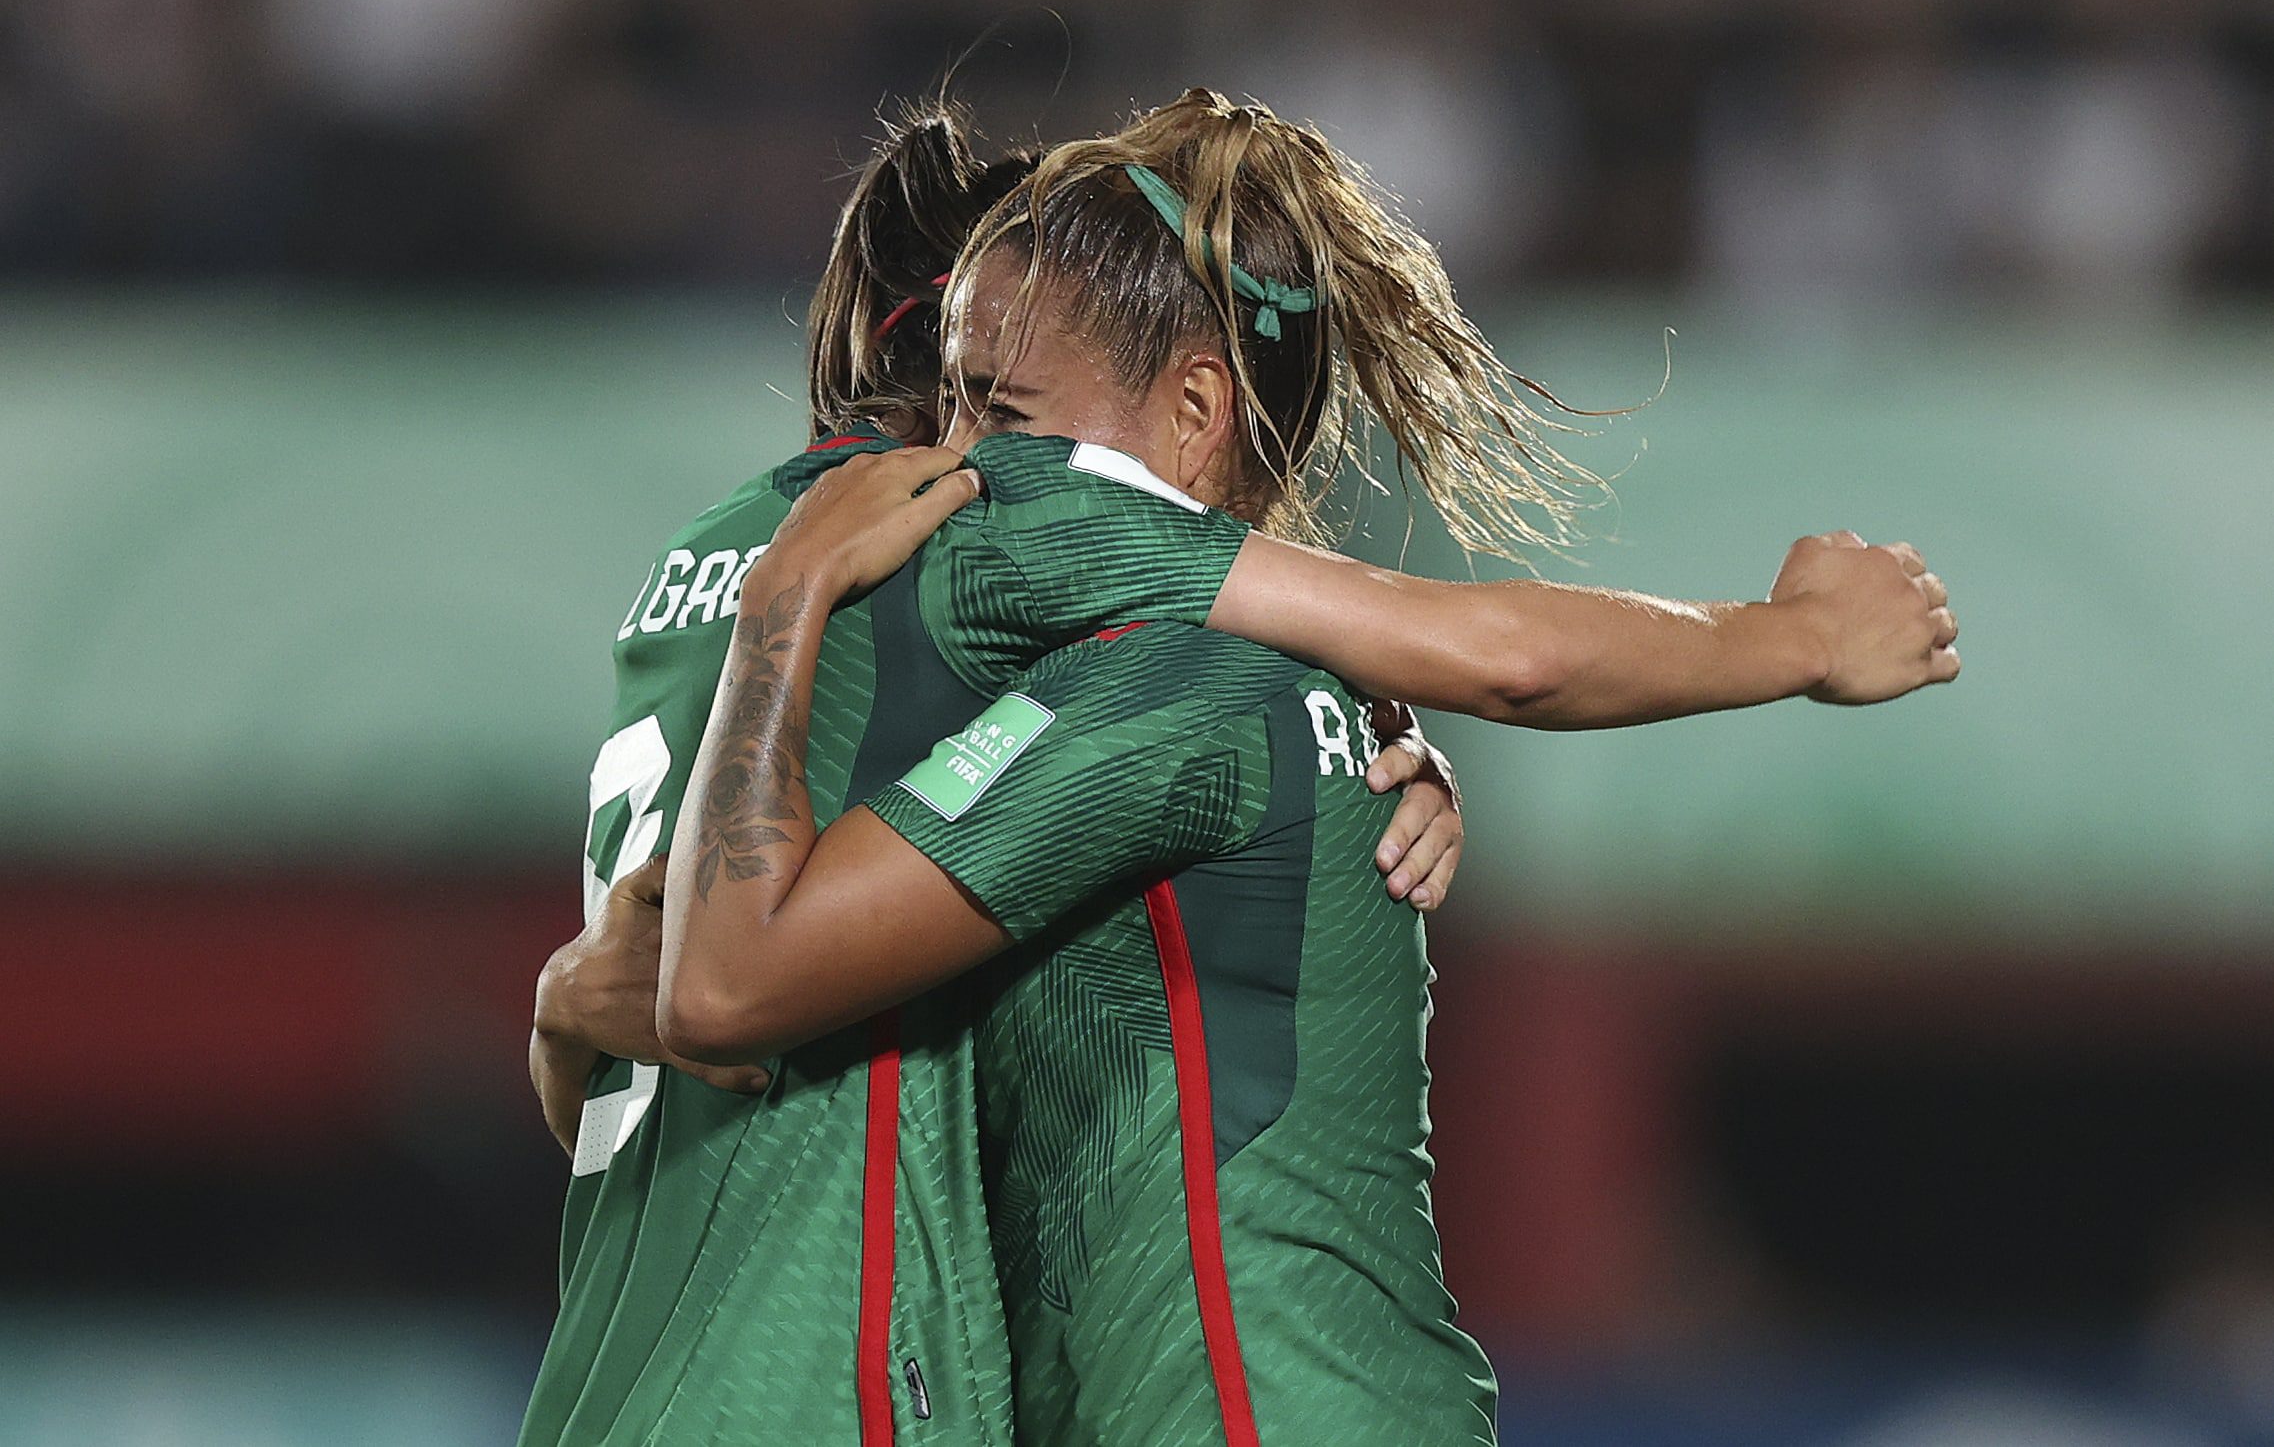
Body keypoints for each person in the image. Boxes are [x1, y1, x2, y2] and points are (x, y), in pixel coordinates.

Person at [655, 91, 1958, 1445]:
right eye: (950, 406)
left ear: (1192, 415)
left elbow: (1502, 651)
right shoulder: (1232, 693)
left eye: (1001, 409)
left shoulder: (1168, 674)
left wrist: (1797, 637)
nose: (957, 466)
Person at [518, 104, 1461, 1447]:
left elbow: (643, 1103)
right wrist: (1783, 644)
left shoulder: (701, 566)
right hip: (819, 1394)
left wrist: (559, 1007)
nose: (998, 454)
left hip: (609, 1384)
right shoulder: (947, 563)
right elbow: (1500, 646)